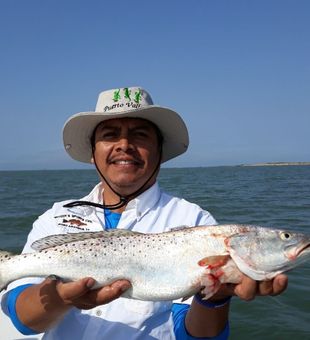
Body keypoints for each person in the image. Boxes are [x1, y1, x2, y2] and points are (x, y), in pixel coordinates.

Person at [1, 86, 288, 339]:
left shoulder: (195, 221)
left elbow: (197, 337)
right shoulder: (56, 216)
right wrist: (63, 298)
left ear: (160, 152)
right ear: (93, 153)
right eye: (110, 135)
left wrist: (214, 299)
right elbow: (24, 322)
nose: (124, 145)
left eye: (139, 135)